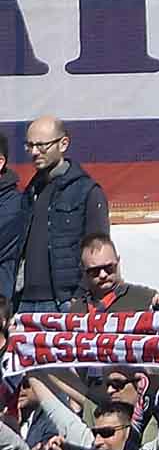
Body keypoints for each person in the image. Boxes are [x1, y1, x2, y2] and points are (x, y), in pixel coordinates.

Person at [9, 115, 107, 311]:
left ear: (63, 144)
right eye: (29, 146)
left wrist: (78, 297)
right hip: (23, 301)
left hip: (62, 302)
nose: (35, 152)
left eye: (42, 145)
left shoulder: (87, 191)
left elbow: (99, 251)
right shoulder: (31, 191)